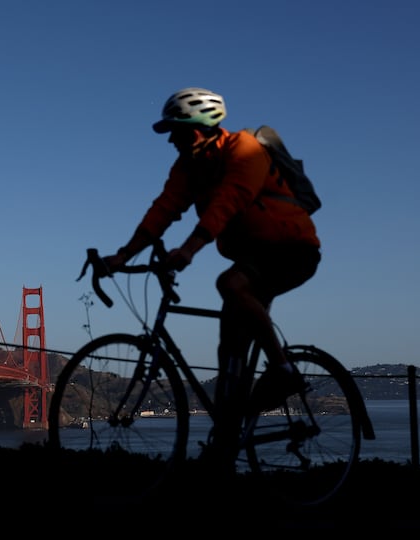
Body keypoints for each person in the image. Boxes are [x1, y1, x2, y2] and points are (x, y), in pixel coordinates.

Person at [101, 87, 321, 474]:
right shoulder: (188, 168)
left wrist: (189, 249)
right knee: (229, 358)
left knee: (230, 285)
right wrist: (121, 255)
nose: (170, 139)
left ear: (198, 130)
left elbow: (229, 201)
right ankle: (226, 449)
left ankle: (284, 371)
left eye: (176, 131)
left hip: (292, 249)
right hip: (253, 257)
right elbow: (163, 209)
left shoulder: (245, 150)